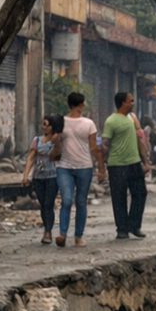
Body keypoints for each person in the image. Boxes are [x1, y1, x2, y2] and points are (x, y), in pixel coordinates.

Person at [56, 91, 105, 248]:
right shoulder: (61, 122)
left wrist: (101, 167)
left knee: (80, 201)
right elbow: (95, 148)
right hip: (64, 166)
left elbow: (93, 147)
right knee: (67, 200)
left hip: (84, 167)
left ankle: (78, 236)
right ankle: (63, 234)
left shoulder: (89, 123)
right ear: (82, 104)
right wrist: (102, 167)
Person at [102, 90, 149, 240]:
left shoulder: (132, 118)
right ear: (123, 103)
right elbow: (105, 144)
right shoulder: (111, 121)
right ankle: (122, 229)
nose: (133, 103)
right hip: (117, 165)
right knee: (119, 197)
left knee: (140, 194)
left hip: (134, 163)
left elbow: (139, 141)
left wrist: (145, 161)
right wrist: (101, 166)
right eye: (131, 101)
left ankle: (134, 225)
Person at [20, 114, 62, 245]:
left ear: (52, 127)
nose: (43, 127)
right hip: (38, 177)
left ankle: (48, 231)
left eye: (46, 124)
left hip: (53, 176)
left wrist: (56, 143)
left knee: (49, 204)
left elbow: (58, 156)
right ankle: (46, 227)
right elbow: (31, 158)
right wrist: (26, 175)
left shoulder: (57, 140)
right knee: (43, 204)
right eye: (42, 124)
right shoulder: (37, 140)